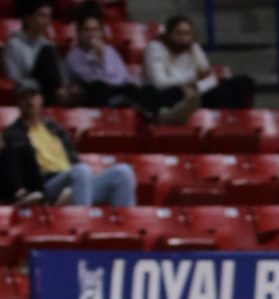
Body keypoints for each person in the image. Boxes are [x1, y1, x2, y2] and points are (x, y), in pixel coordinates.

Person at [2, 80, 137, 207]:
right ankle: (82, 224)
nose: (29, 101)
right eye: (24, 97)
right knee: (81, 171)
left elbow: (73, 158)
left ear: (41, 99)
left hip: (73, 180)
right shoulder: (13, 133)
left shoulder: (55, 128)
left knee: (123, 172)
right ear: (18, 102)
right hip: (47, 184)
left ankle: (127, 230)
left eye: (33, 95)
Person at [65, 12, 199, 123]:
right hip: (100, 94)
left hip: (122, 89)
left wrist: (103, 54)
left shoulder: (109, 50)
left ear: (101, 32)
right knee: (101, 88)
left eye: (95, 30)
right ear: (78, 33)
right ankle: (157, 115)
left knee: (148, 90)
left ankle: (173, 109)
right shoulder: (73, 56)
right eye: (86, 30)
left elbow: (122, 76)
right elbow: (96, 80)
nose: (91, 35)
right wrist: (100, 57)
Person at [143, 15, 255, 109]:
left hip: (198, 90)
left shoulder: (194, 47)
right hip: (172, 94)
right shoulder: (155, 48)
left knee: (243, 83)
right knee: (222, 95)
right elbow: (159, 84)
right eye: (179, 33)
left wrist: (212, 78)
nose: (183, 38)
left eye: (187, 34)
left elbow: (205, 74)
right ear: (169, 34)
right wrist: (193, 77)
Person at [4, 0, 77, 105]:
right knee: (47, 51)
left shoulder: (47, 43)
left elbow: (60, 77)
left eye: (49, 16)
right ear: (28, 18)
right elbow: (14, 77)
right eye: (42, 15)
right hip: (28, 92)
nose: (47, 21)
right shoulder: (13, 44)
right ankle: (61, 97)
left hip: (49, 91)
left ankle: (61, 96)